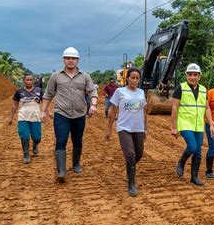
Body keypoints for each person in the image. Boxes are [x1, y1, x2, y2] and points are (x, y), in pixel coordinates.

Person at [41, 47, 98, 183]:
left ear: (77, 60)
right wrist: (43, 111)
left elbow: (92, 92)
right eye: (68, 58)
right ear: (63, 60)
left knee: (77, 141)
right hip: (61, 114)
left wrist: (94, 105)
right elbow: (48, 94)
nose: (70, 61)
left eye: (73, 58)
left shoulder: (85, 76)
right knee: (61, 141)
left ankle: (76, 164)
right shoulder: (56, 76)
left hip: (79, 115)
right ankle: (61, 171)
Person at [171, 63, 214, 186]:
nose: (192, 77)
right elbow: (174, 108)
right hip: (185, 123)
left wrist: (211, 124)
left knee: (198, 152)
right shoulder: (181, 88)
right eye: (190, 74)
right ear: (186, 76)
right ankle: (181, 162)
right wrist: (174, 127)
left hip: (198, 125)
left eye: (195, 75)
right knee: (192, 147)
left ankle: (194, 177)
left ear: (199, 77)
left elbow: (206, 108)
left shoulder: (203, 89)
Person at [105, 68, 147, 197]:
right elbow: (112, 110)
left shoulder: (141, 92)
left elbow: (144, 111)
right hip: (124, 128)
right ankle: (131, 184)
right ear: (127, 78)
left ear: (139, 79)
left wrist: (145, 128)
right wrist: (109, 129)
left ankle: (130, 167)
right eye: (132, 77)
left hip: (138, 128)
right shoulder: (119, 92)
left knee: (138, 154)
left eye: (137, 78)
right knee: (130, 155)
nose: (134, 80)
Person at [8, 73, 44, 164]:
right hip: (23, 116)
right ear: (23, 81)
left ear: (33, 81)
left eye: (30, 80)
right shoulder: (19, 91)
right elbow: (14, 105)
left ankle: (35, 145)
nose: (29, 81)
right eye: (27, 80)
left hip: (35, 116)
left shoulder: (39, 90)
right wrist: (11, 117)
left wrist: (47, 112)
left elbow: (44, 103)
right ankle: (26, 155)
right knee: (24, 135)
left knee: (37, 138)